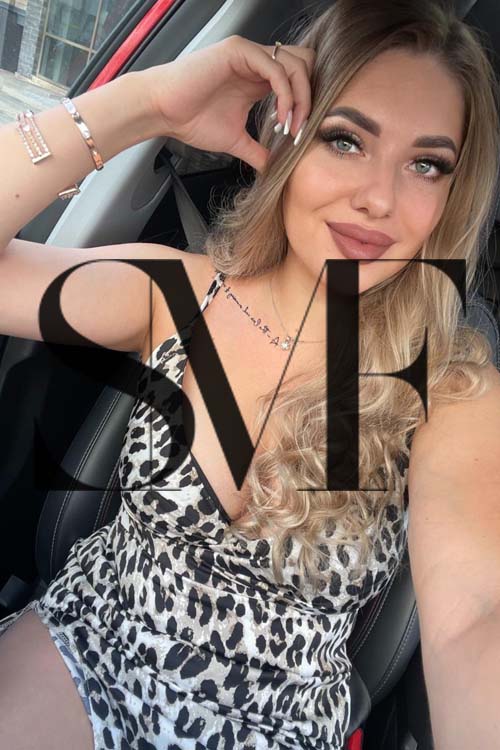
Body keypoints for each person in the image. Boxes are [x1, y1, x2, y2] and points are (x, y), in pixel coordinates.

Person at [0, 0, 499, 748]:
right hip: (84, 651)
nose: (379, 198)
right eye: (345, 140)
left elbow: (476, 617)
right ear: (288, 132)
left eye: (425, 165)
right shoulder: (177, 294)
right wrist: (151, 104)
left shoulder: (450, 385)